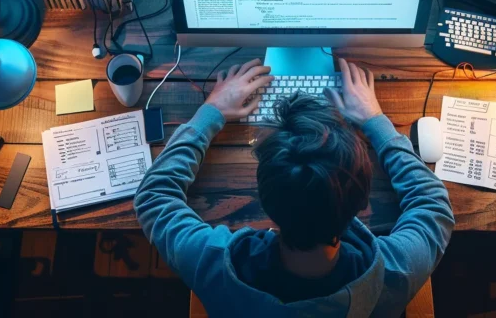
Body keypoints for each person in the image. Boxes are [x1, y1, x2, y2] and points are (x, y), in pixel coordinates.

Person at [134, 58, 455, 317]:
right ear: (362, 206)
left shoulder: (213, 264)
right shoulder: (396, 273)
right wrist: (374, 120)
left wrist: (211, 111)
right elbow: (432, 204)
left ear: (266, 203)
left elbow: (154, 196)